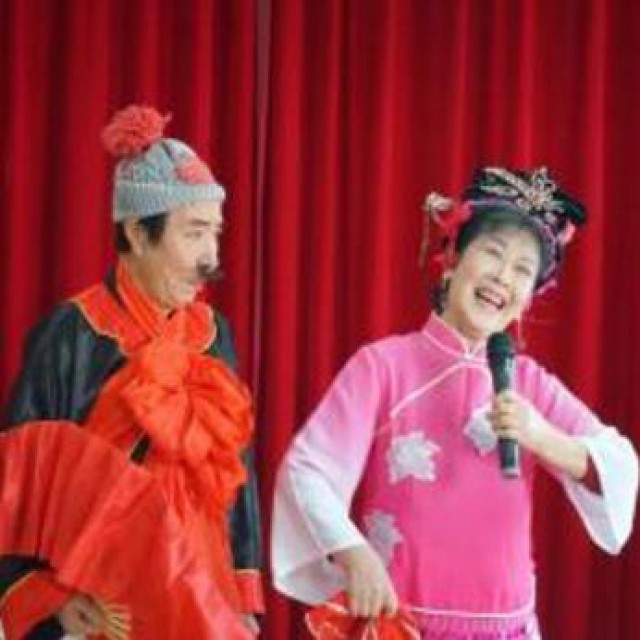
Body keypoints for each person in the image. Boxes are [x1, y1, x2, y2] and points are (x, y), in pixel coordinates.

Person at [271, 167, 639, 639]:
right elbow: (307, 469)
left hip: (508, 629)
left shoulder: (529, 383)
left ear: (528, 298)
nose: (503, 277)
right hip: (401, 625)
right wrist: (354, 553)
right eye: (493, 253)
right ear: (452, 258)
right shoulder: (383, 366)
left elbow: (619, 463)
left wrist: (541, 436)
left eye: (522, 270)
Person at [0, 105, 263, 639]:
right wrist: (50, 599)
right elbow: (20, 482)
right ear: (139, 233)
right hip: (104, 604)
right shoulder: (72, 333)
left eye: (215, 234)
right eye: (194, 234)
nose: (210, 257)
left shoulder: (213, 334)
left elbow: (234, 471)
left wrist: (241, 593)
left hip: (200, 585)